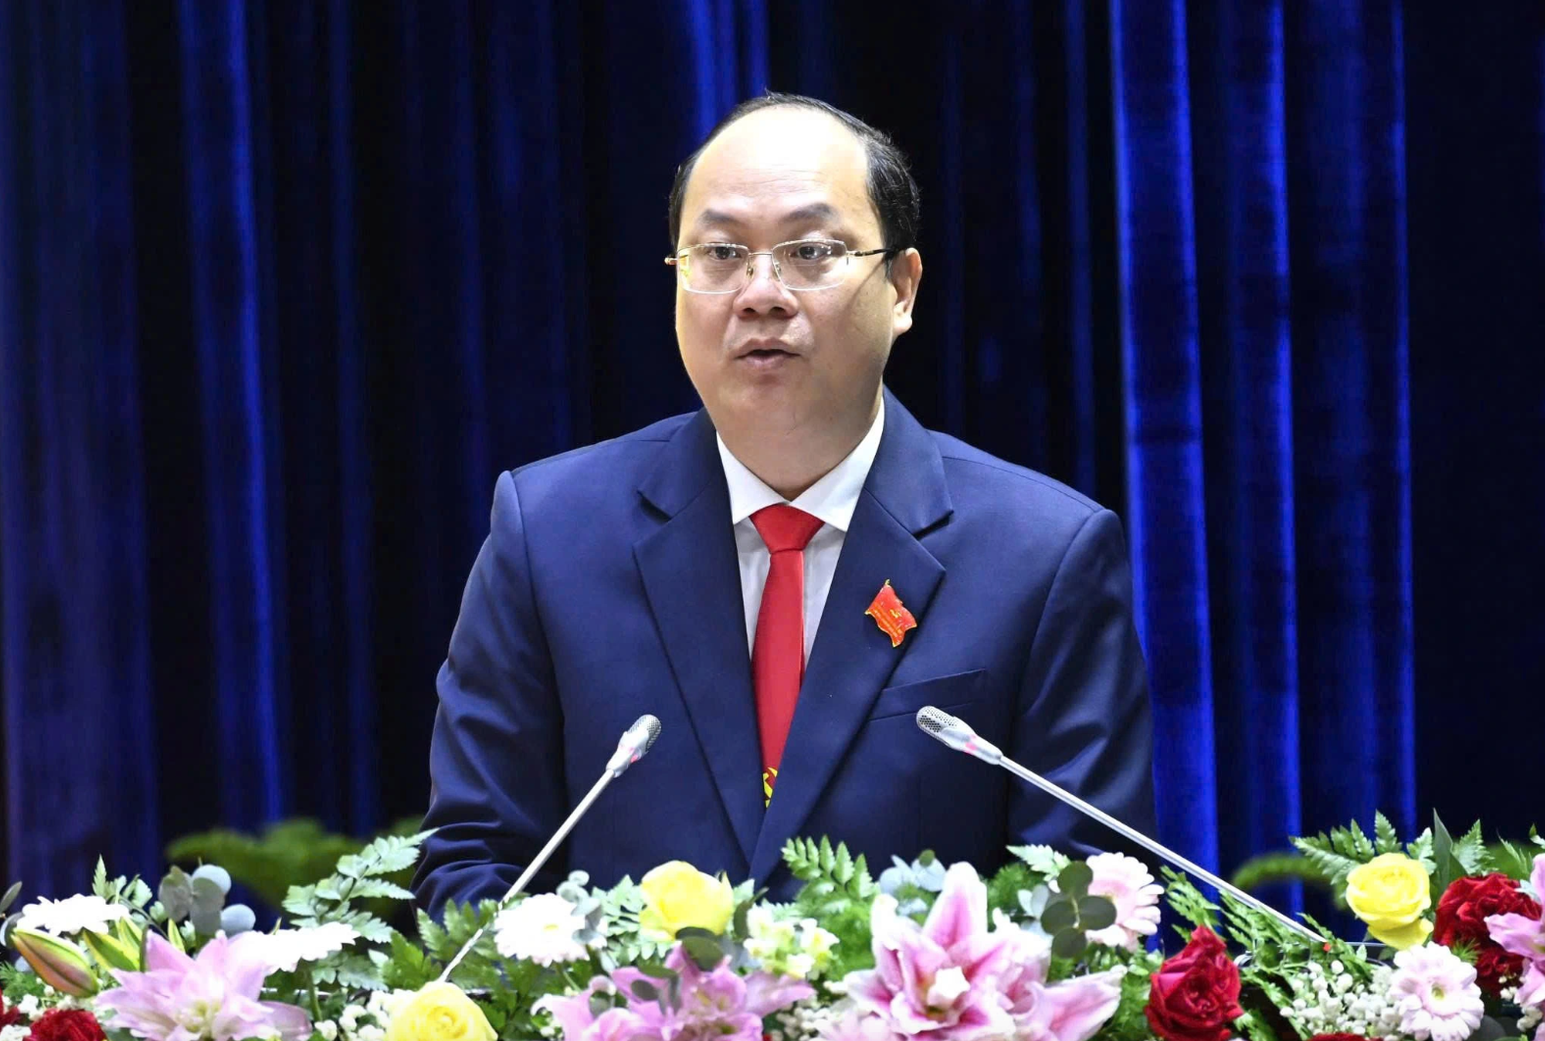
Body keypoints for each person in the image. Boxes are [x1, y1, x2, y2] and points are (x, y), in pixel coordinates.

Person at [411, 94, 1155, 914]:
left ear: (902, 288)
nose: (760, 293)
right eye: (720, 252)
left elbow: (1089, 903)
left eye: (810, 251)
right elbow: (475, 868)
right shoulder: (548, 535)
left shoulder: (1043, 557)